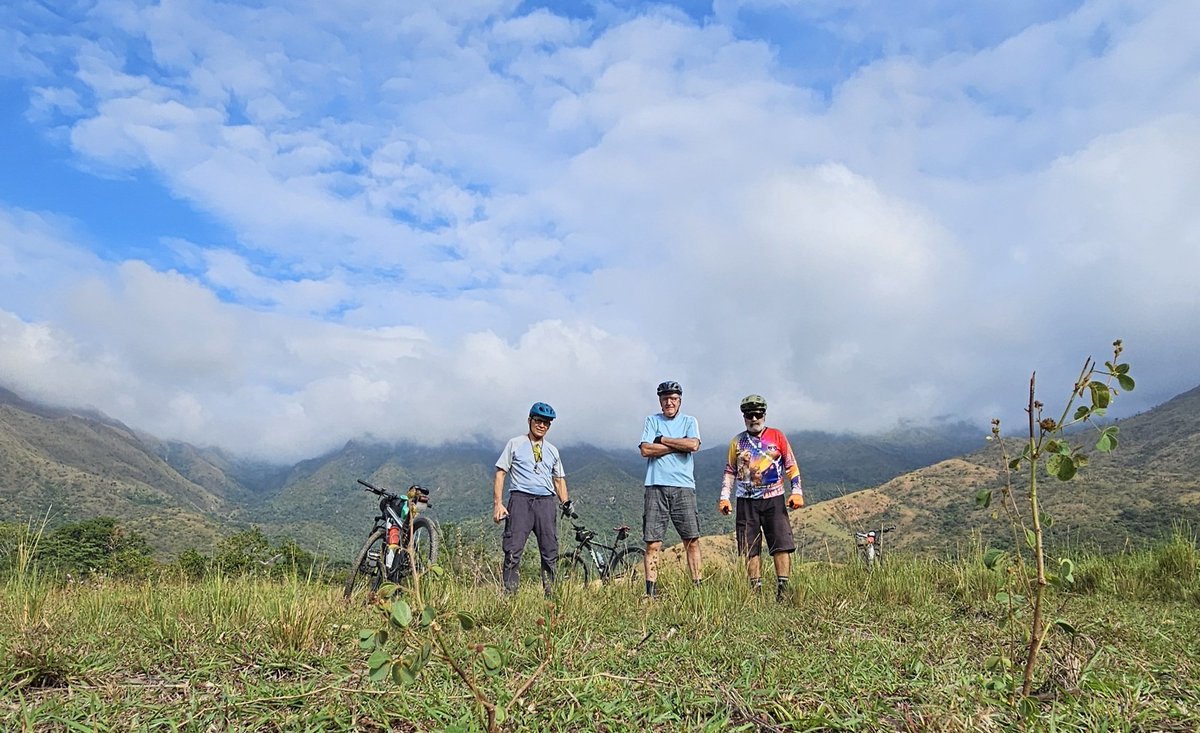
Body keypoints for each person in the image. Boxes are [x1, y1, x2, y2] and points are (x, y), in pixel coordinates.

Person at [718, 394, 804, 600]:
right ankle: (755, 592)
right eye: (749, 415)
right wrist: (724, 497)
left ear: (764, 415)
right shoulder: (737, 442)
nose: (754, 419)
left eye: (757, 414)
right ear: (744, 417)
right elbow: (730, 470)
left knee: (781, 544)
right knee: (749, 547)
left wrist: (797, 492)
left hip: (774, 498)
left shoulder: (777, 436)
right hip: (746, 500)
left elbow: (790, 465)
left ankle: (783, 591)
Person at [493, 402, 574, 596]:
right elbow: (500, 474)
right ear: (529, 420)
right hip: (520, 500)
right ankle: (509, 597)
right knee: (513, 550)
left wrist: (566, 502)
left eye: (546, 423)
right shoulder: (515, 443)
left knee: (550, 550)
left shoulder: (553, 450)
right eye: (538, 421)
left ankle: (551, 597)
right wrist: (498, 504)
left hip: (546, 502)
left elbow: (559, 479)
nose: (542, 426)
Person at [638, 380, 703, 597]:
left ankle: (697, 588)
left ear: (680, 400)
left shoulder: (689, 421)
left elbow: (693, 445)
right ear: (660, 401)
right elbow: (646, 450)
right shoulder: (651, 420)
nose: (669, 402)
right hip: (655, 485)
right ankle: (650, 593)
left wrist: (663, 440)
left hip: (684, 486)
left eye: (673, 399)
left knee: (691, 540)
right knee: (653, 543)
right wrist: (678, 445)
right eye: (665, 399)